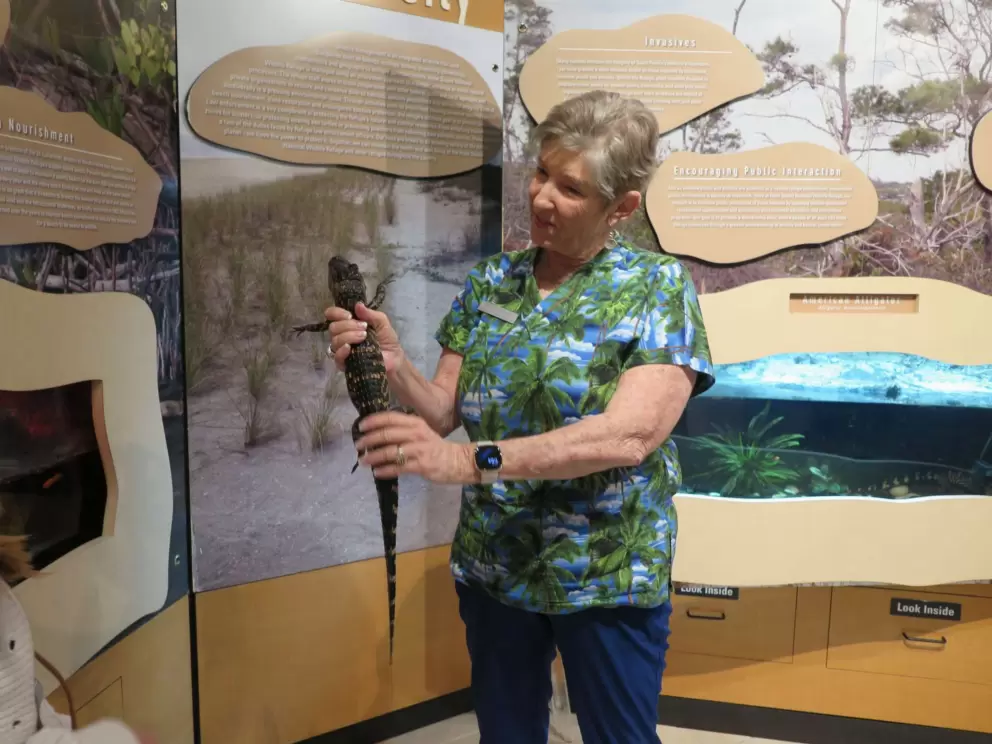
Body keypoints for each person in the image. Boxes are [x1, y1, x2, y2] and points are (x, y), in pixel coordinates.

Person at [325, 89, 715, 744]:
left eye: (571, 188)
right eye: (540, 173)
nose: (541, 199)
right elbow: (445, 409)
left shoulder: (658, 288)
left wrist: (470, 463)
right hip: (496, 566)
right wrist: (394, 364)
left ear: (621, 207)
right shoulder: (491, 284)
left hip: (604, 573)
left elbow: (630, 435)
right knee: (506, 734)